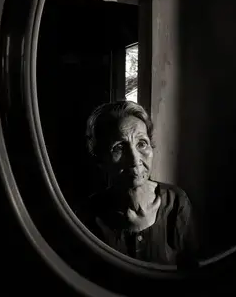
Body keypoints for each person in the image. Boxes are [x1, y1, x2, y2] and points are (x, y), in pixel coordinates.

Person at [75, 100, 198, 266]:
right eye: (119, 147)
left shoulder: (176, 202)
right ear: (101, 159)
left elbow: (191, 272)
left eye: (142, 144)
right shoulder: (88, 215)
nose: (134, 160)